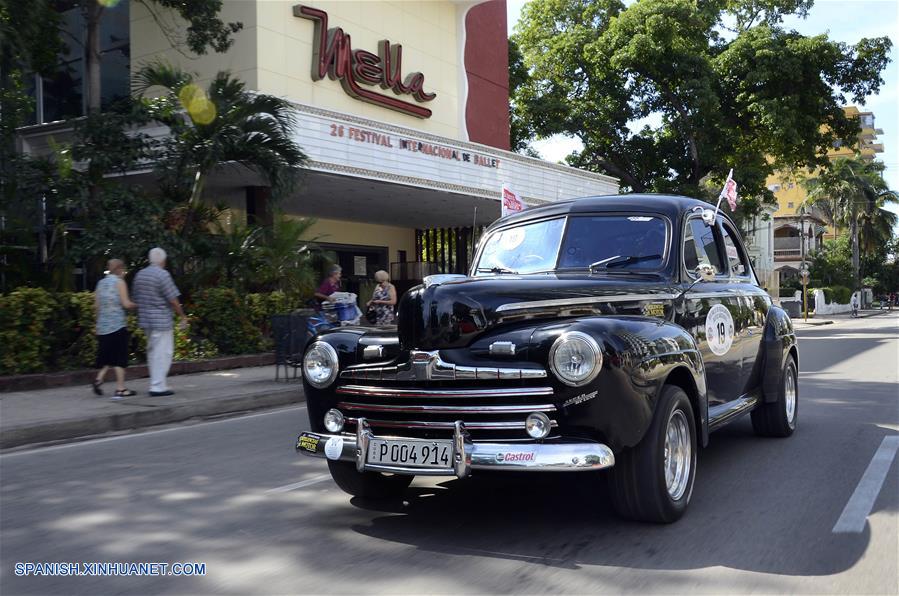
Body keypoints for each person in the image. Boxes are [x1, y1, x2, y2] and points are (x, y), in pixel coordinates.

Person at [132, 248, 188, 396]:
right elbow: (173, 299)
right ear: (163, 260)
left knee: (152, 352)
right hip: (161, 320)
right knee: (163, 353)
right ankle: (158, 386)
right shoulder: (163, 275)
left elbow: (136, 298)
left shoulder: (140, 274)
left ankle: (157, 383)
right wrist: (182, 316)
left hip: (146, 320)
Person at [92, 259, 137, 399]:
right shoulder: (119, 282)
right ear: (120, 269)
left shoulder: (101, 283)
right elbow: (126, 304)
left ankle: (98, 379)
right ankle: (120, 388)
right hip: (117, 325)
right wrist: (137, 305)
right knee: (119, 357)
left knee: (107, 355)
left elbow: (96, 306)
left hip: (103, 326)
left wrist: (97, 324)